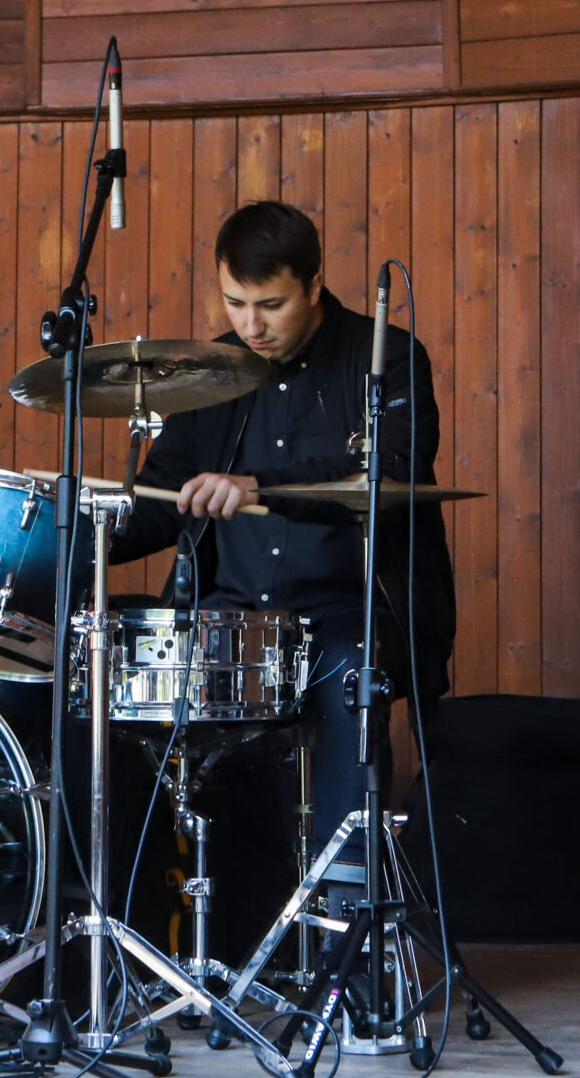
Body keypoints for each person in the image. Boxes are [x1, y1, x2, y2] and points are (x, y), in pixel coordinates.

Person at [110, 201, 458, 851]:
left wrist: (260, 487)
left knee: (350, 674)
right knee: (120, 670)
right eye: (235, 303)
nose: (251, 325)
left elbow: (395, 473)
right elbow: (162, 503)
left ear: (314, 284)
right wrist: (74, 529)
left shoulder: (386, 357)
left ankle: (345, 894)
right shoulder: (211, 371)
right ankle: (181, 893)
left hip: (346, 612)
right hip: (229, 614)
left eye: (270, 305)